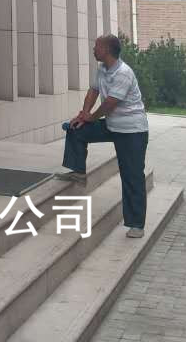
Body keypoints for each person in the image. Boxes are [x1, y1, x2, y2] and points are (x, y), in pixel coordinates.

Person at [57, 33, 150, 238]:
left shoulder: (124, 73)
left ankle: (136, 224)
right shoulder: (102, 69)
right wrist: (83, 115)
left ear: (106, 50)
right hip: (111, 125)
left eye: (96, 46)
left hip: (132, 131)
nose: (93, 49)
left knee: (132, 176)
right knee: (75, 128)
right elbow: (93, 92)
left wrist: (91, 117)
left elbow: (110, 104)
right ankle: (78, 171)